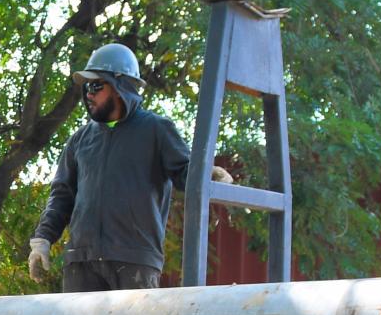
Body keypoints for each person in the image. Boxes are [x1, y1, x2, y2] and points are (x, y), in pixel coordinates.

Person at [28, 43, 231, 291]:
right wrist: (42, 240)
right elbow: (62, 196)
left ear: (120, 86)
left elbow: (184, 173)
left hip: (134, 260)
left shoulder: (156, 130)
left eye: (95, 85)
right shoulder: (79, 140)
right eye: (86, 88)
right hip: (82, 262)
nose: (88, 94)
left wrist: (207, 174)